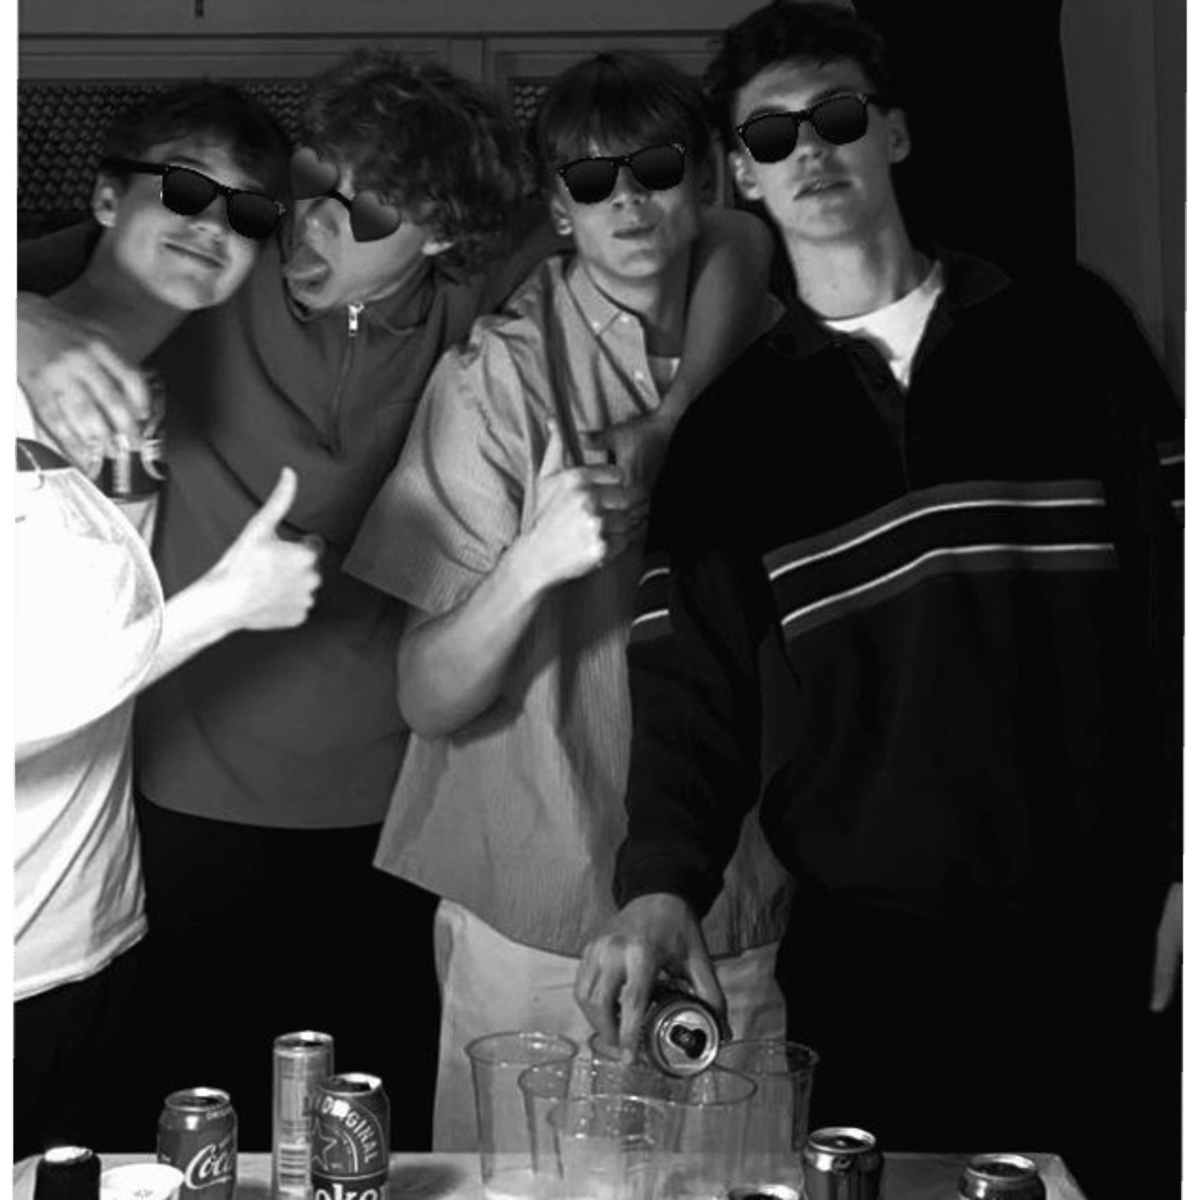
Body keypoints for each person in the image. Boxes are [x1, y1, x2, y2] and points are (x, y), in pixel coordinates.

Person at [16, 49, 776, 1148]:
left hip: (378, 806)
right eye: (308, 190)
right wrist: (24, 323)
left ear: (436, 239)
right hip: (184, 789)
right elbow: (73, 271)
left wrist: (672, 420)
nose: (314, 227)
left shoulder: (470, 297)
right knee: (190, 1132)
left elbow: (731, 238)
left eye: (366, 214)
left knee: (363, 1136)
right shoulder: (219, 262)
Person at [572, 6, 1184, 1198]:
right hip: (878, 964)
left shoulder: (1073, 332)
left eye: (838, 116)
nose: (810, 149)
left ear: (893, 134)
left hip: (1118, 931)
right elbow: (688, 694)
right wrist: (658, 886)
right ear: (743, 176)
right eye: (771, 135)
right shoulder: (733, 434)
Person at [344, 51, 793, 1151]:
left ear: (708, 181)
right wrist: (533, 560)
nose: (626, 201)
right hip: (537, 899)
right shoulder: (495, 380)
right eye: (592, 182)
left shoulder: (787, 363)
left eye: (655, 169)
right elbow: (425, 695)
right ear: (558, 208)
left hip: (732, 896)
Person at [13, 82, 322, 1160]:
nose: (212, 226)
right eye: (186, 190)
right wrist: (225, 607)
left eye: (248, 212)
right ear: (106, 198)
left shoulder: (141, 406)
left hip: (96, 930)